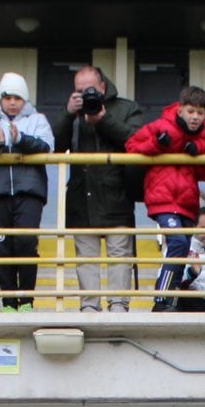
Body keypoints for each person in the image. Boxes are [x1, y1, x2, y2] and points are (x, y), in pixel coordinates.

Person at [53, 66, 147, 313]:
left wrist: (103, 120)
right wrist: (66, 114)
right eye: (79, 91)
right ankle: (89, 308)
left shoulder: (127, 108)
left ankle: (118, 306)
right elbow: (55, 146)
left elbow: (137, 141)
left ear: (103, 86)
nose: (86, 95)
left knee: (120, 257)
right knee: (86, 259)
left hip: (117, 196)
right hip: (80, 197)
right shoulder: (72, 114)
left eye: (90, 90)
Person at [126, 88, 205, 309]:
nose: (195, 117)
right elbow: (132, 147)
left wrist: (198, 151)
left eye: (200, 112)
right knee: (177, 242)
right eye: (190, 111)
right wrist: (158, 145)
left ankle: (170, 299)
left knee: (182, 249)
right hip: (163, 199)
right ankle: (161, 299)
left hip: (188, 203)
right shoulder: (161, 126)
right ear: (180, 109)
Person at [0, 74, 55, 311]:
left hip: (29, 190)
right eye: (7, 97)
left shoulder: (38, 119)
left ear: (25, 99)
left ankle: (27, 300)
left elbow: (47, 146)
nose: (12, 102)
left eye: (17, 98)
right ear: (0, 99)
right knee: (2, 247)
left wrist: (19, 138)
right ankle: (9, 301)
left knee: (25, 243)